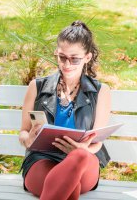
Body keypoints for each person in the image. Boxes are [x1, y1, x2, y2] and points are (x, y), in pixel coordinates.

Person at [18, 20, 111, 200]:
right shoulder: (36, 86)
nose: (67, 64)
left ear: (87, 57)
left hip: (84, 161)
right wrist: (28, 139)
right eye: (62, 57)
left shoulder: (101, 91)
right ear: (56, 53)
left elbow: (97, 142)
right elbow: (23, 131)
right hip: (41, 160)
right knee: (68, 186)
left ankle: (76, 158)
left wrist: (83, 148)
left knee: (78, 157)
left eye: (74, 58)